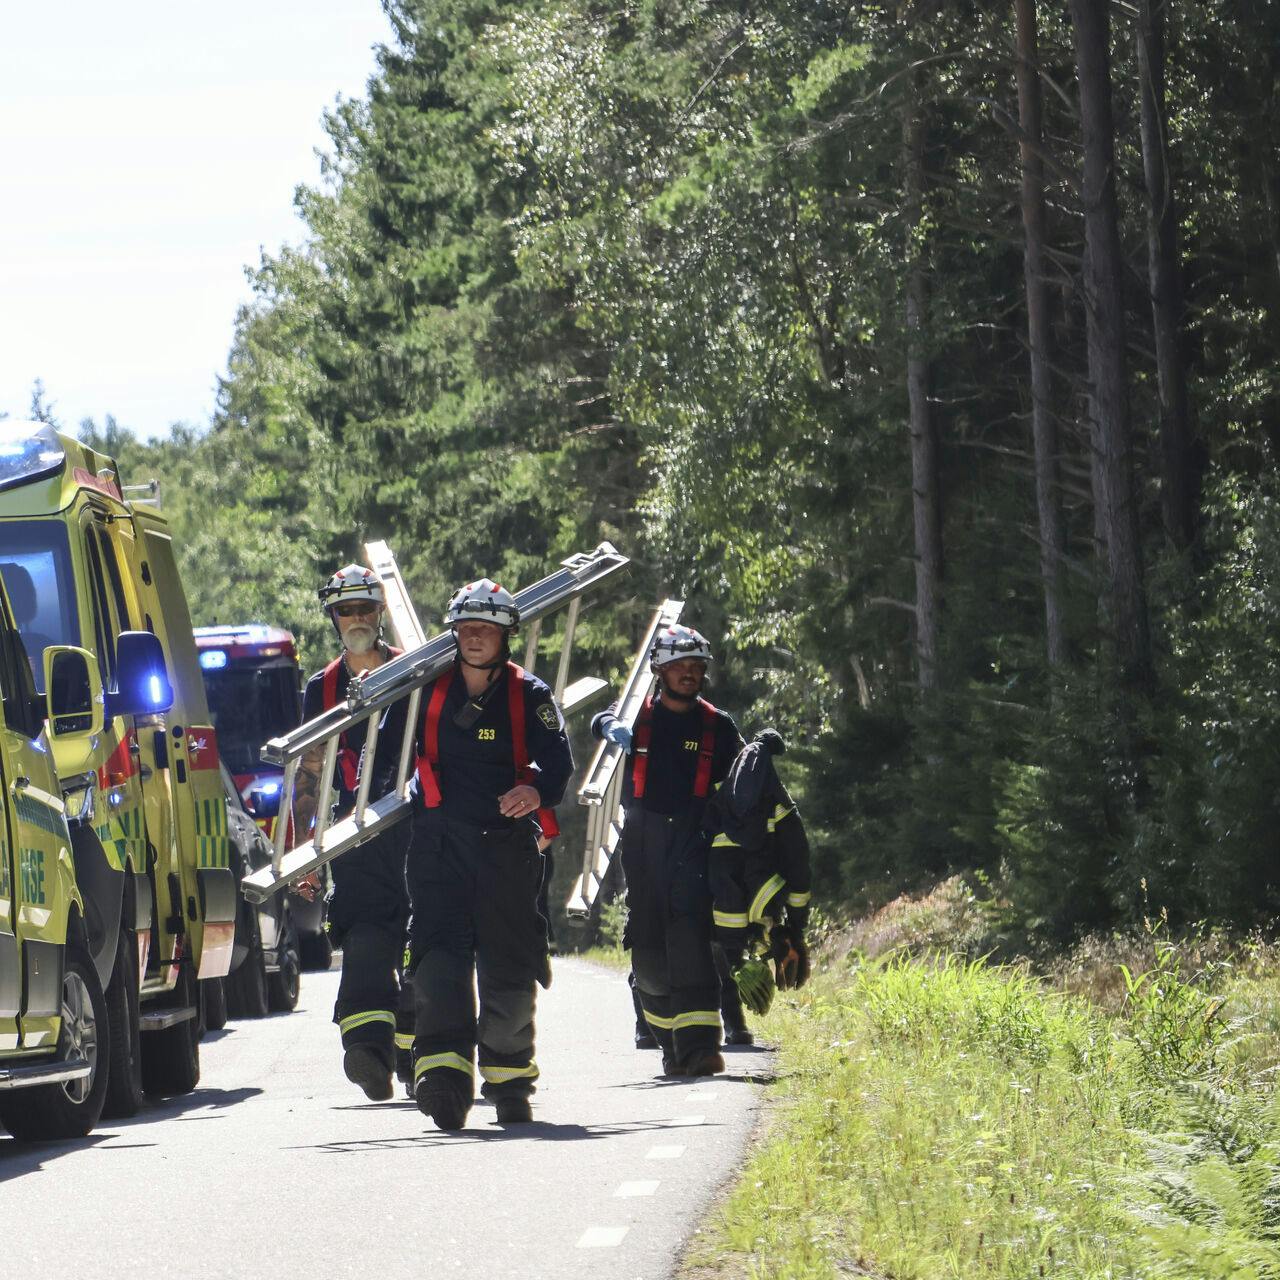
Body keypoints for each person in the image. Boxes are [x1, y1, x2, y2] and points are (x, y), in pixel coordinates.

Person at [406, 579, 572, 1130]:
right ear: (454, 633)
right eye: (466, 628)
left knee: (509, 966)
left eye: (487, 629)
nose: (475, 637)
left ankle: (510, 1083)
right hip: (439, 849)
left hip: (505, 852)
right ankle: (443, 1079)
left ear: (506, 635)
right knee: (439, 962)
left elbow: (559, 763)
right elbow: (384, 755)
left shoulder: (531, 695)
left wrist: (536, 791)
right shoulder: (425, 689)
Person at [592, 623, 743, 1078]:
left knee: (692, 939)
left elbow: (743, 784)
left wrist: (760, 755)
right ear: (659, 670)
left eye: (696, 665)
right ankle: (670, 1044)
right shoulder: (637, 718)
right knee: (649, 951)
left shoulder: (718, 726)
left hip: (695, 841)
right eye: (679, 665)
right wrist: (608, 725)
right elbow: (601, 719)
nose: (689, 672)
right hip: (643, 843)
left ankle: (701, 1047)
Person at [293, 564, 409, 1103]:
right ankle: (368, 1050)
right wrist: (307, 853)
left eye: (365, 608)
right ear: (334, 618)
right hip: (354, 834)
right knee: (363, 932)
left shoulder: (413, 670)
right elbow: (310, 773)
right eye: (346, 610)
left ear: (380, 612)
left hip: (416, 827)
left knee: (424, 936)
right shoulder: (322, 689)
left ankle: (423, 1052)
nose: (356, 618)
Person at [705, 728, 813, 1019]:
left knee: (722, 943)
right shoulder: (777, 796)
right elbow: (798, 863)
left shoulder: (722, 792)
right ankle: (772, 942)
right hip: (764, 890)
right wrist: (796, 927)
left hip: (725, 896)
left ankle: (731, 1017)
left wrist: (736, 953)